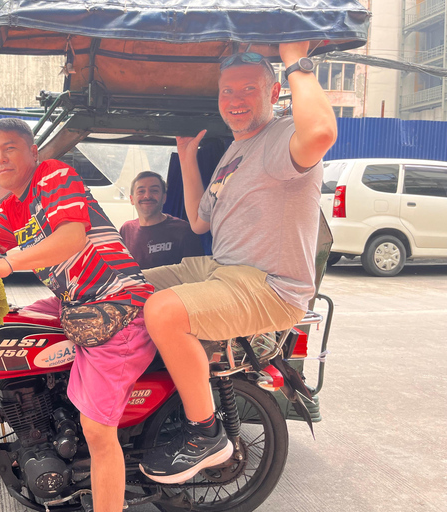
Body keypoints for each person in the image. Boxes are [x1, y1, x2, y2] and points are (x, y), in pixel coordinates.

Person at [0, 118, 156, 512]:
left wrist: (9, 262)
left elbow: (71, 236)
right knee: (8, 330)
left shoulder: (53, 176)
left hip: (117, 303)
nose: (1, 158)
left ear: (33, 152)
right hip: (76, 303)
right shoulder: (15, 207)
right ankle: (46, 416)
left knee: (98, 430)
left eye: (10, 148)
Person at [139, 41, 337, 483]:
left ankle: (204, 433)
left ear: (272, 94)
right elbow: (197, 222)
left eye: (249, 89)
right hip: (222, 269)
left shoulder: (282, 134)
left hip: (271, 284)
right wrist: (187, 160)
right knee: (123, 285)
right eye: (227, 92)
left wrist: (294, 61)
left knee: (163, 311)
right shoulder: (234, 151)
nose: (235, 100)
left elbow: (322, 132)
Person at [119, 171, 204, 269]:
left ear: (164, 198)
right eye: (141, 191)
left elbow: (196, 273)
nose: (147, 196)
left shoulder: (183, 230)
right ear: (132, 199)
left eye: (154, 190)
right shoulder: (126, 230)